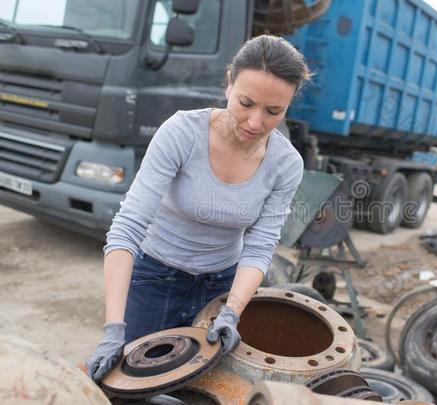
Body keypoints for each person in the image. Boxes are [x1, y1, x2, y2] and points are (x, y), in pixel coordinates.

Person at [86, 35, 308, 382]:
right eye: (246, 102)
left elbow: (261, 246)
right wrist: (114, 329)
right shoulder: (182, 133)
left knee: (199, 387)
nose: (255, 122)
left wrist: (232, 311)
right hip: (153, 278)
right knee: (133, 382)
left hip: (220, 288)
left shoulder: (287, 164)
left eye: (273, 112)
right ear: (229, 82)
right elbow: (127, 228)